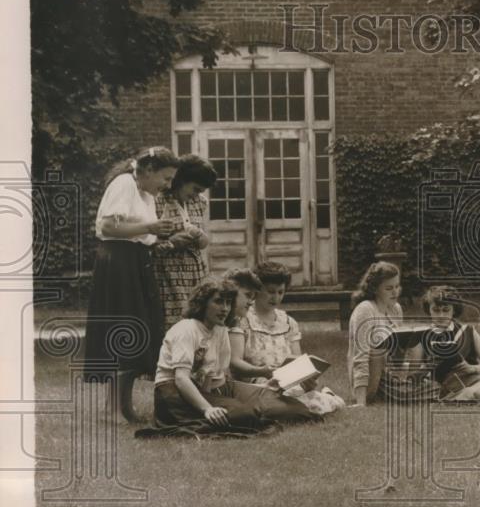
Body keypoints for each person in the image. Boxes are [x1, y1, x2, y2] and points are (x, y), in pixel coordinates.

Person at [135, 277, 321, 438]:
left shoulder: (220, 329)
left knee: (298, 410)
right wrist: (207, 408)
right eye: (218, 302)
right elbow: (182, 379)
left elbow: (216, 379)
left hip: (211, 389)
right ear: (202, 303)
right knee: (247, 414)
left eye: (228, 303)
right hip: (174, 393)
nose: (224, 308)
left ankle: (256, 411)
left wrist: (264, 387)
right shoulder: (187, 329)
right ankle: (245, 414)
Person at [83, 146, 179, 423]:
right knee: (121, 328)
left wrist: (157, 232)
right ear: (148, 170)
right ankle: (111, 409)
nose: (167, 185)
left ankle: (124, 406)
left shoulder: (145, 191)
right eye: (166, 178)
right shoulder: (124, 183)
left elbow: (140, 230)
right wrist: (150, 229)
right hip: (118, 262)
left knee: (138, 330)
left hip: (136, 260)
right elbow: (109, 228)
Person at [229, 261, 344, 414]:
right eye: (270, 291)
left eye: (280, 292)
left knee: (311, 402)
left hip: (286, 385)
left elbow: (298, 361)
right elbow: (234, 362)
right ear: (257, 290)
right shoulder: (243, 319)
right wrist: (262, 371)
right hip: (256, 384)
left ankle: (318, 399)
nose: (275, 297)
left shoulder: (288, 322)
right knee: (277, 406)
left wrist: (306, 379)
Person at [400, 286, 480, 401]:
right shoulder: (421, 335)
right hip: (448, 386)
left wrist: (471, 368)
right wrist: (429, 367)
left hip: (475, 379)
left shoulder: (467, 331)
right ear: (429, 310)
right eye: (436, 310)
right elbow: (413, 378)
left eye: (446, 310)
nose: (441, 315)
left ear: (454, 311)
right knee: (479, 392)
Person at [153, 154, 216, 331]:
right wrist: (172, 242)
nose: (196, 195)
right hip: (168, 274)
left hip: (196, 273)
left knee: (198, 323)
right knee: (173, 327)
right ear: (181, 180)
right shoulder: (157, 200)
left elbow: (204, 243)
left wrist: (200, 237)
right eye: (195, 189)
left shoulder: (200, 202)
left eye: (201, 191)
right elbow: (147, 243)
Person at [347, 261, 404, 406]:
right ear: (375, 289)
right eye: (389, 288)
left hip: (391, 375)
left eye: (397, 286)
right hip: (370, 380)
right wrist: (361, 402)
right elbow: (360, 357)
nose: (395, 292)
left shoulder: (395, 309)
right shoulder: (365, 310)